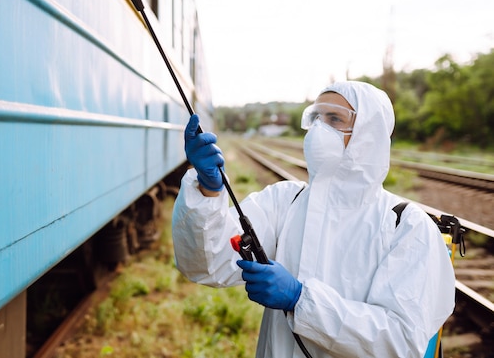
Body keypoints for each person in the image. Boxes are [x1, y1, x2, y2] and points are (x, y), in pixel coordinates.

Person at [172, 81, 455, 358]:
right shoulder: (285, 201)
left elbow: (401, 343)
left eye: (334, 118)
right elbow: (209, 265)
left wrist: (301, 299)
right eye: (317, 117)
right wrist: (209, 190)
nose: (320, 128)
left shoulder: (406, 226)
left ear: (368, 134)